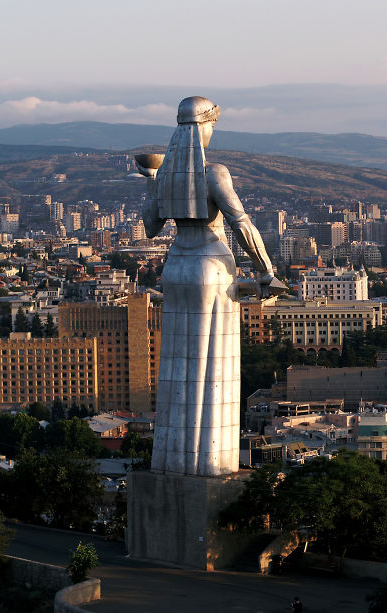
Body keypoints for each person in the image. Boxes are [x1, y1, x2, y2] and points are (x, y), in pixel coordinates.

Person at [139, 96, 276, 477]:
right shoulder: (214, 173)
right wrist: (265, 269)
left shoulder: (166, 175)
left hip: (176, 270)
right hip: (212, 267)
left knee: (178, 365)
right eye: (212, 125)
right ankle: (211, 463)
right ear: (204, 127)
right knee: (214, 365)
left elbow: (151, 229)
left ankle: (174, 460)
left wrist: (151, 182)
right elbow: (241, 222)